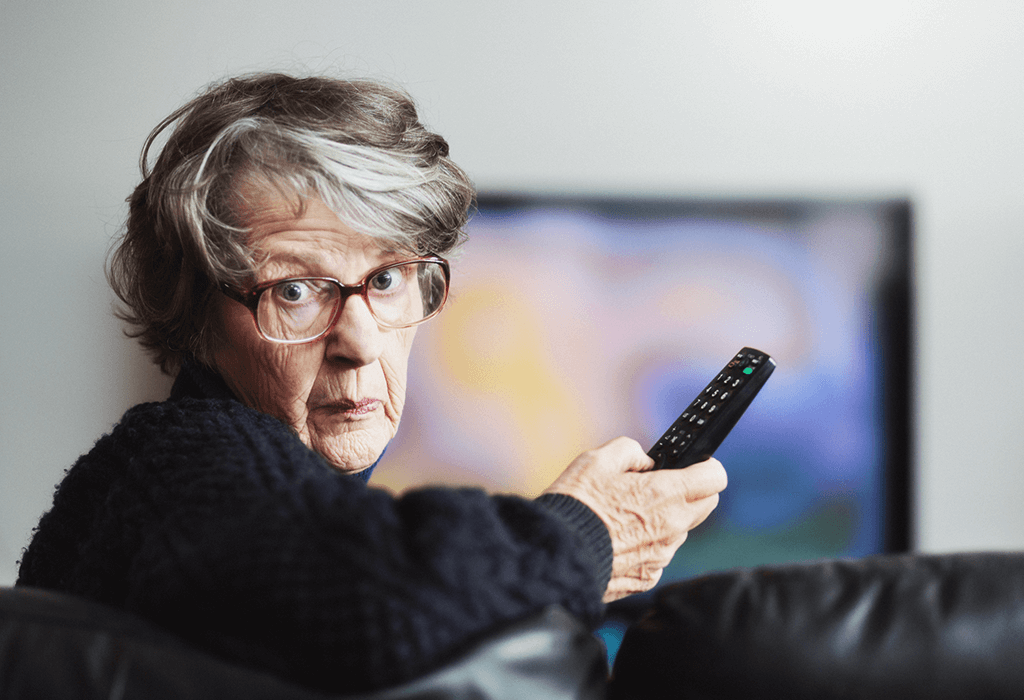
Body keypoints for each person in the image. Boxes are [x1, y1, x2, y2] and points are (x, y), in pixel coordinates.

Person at [16, 73, 727, 695]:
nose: (359, 342)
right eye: (295, 290)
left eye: (386, 279)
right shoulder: (172, 460)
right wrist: (587, 532)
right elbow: (376, 597)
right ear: (195, 313)